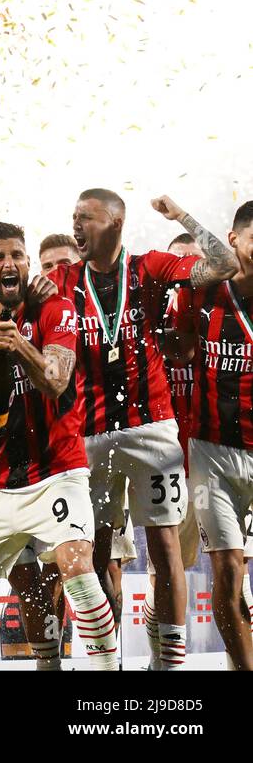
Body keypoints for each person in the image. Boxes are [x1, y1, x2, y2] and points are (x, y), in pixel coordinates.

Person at [39, 189, 237, 670]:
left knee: (165, 542)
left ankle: (167, 663)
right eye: (74, 218)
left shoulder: (148, 267)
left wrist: (183, 214)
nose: (77, 226)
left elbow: (226, 264)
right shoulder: (61, 278)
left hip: (152, 429)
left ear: (116, 223)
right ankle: (108, 662)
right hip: (88, 432)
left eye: (86, 218)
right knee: (99, 550)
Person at [0, 222, 118, 670]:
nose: (10, 264)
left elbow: (56, 382)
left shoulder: (55, 308)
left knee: (79, 569)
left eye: (17, 255)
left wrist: (18, 344)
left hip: (59, 469)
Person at [169, 201, 253, 668]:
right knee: (226, 570)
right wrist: (181, 216)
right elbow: (178, 351)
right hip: (212, 452)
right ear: (233, 239)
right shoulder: (201, 295)